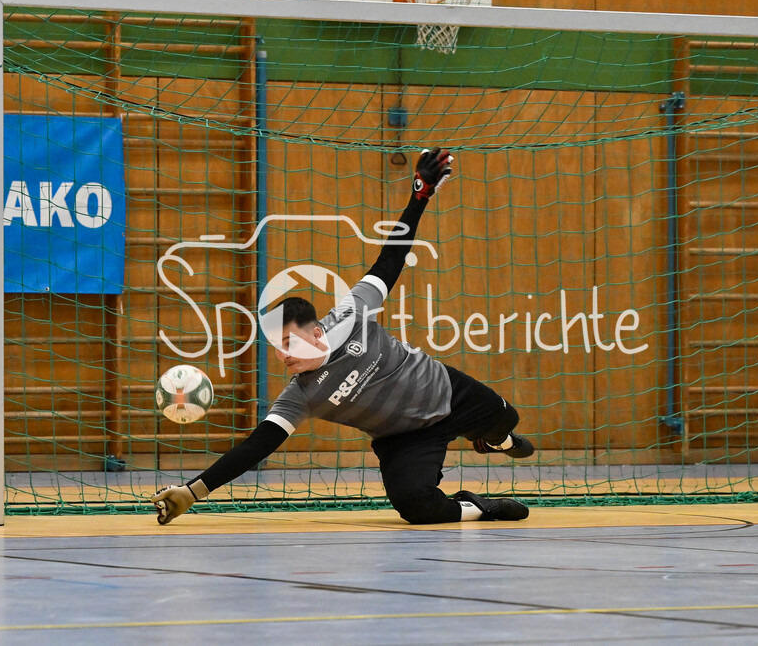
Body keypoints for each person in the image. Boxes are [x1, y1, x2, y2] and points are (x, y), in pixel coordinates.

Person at [152, 148, 535, 525]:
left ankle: (493, 441)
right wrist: (192, 491)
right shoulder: (300, 395)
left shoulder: (352, 314)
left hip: (448, 394)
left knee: (509, 419)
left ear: (317, 332)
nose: (284, 356)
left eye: (289, 343)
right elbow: (257, 446)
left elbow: (391, 257)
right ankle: (482, 507)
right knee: (418, 509)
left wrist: (420, 195)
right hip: (403, 438)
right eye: (277, 348)